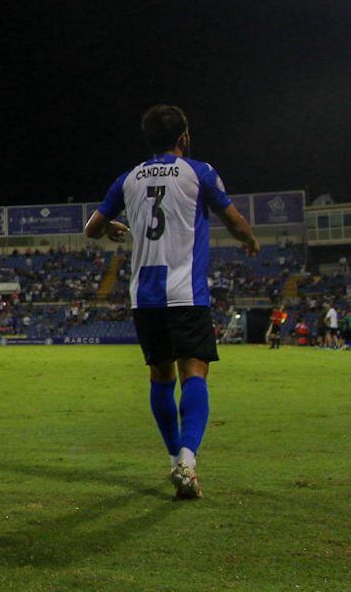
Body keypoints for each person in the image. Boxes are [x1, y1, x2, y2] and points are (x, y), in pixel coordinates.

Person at [85, 104, 260, 500]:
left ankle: (173, 461)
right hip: (186, 294)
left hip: (145, 298)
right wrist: (250, 239)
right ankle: (187, 458)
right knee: (194, 374)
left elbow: (91, 228)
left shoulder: (128, 178)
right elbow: (233, 220)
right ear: (183, 137)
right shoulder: (198, 171)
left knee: (160, 379)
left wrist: (112, 226)